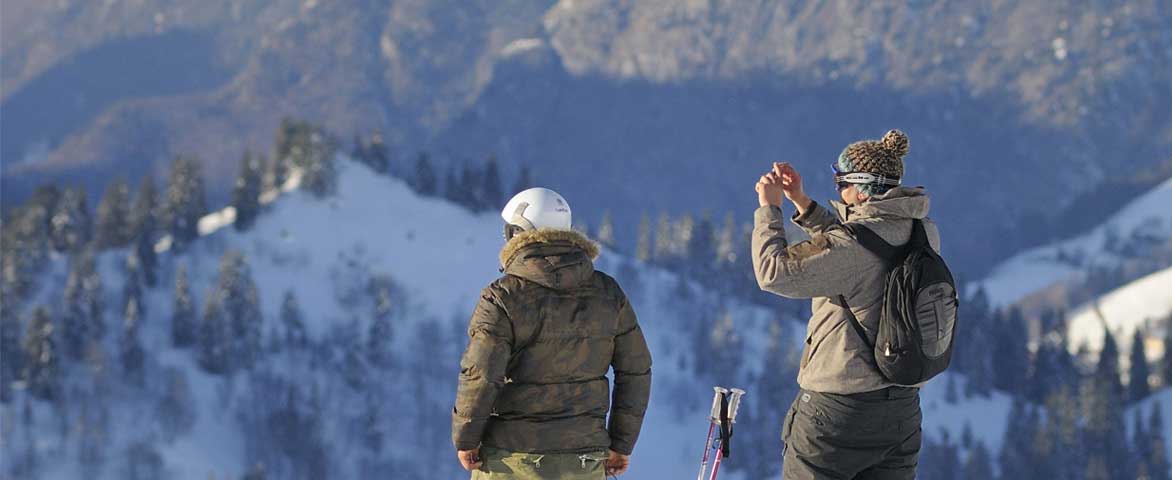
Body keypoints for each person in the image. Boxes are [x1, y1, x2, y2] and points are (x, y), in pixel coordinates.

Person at [751, 130, 941, 479]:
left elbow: (773, 273)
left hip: (838, 411)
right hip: (901, 410)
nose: (837, 188)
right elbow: (862, 242)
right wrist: (802, 203)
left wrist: (770, 209)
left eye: (840, 181)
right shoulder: (923, 232)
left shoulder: (852, 248)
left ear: (860, 188)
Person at [452, 187, 653, 479]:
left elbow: (482, 373)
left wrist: (466, 439)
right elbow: (636, 370)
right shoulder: (608, 293)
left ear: (516, 234)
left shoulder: (502, 297)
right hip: (584, 460)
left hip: (511, 459)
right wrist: (621, 444)